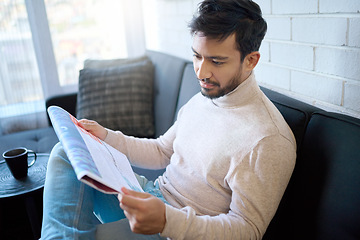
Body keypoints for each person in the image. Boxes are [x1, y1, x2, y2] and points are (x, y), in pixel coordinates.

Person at [41, 0, 296, 239]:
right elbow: (162, 149)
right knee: (66, 153)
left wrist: (167, 220)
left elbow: (247, 229)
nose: (201, 71)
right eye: (197, 56)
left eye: (217, 61)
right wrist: (106, 137)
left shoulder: (268, 138)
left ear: (251, 60)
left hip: (175, 230)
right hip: (151, 195)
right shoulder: (206, 97)